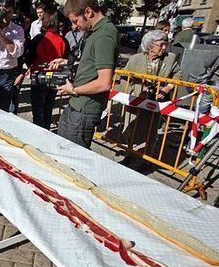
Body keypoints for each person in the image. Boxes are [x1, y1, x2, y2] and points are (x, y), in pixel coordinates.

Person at [52, 0, 119, 149]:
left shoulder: (104, 35)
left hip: (84, 110)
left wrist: (73, 90)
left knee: (71, 158)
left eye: (75, 21)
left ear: (88, 12)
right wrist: (67, 62)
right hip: (77, 106)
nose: (74, 27)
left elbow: (104, 82)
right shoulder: (96, 32)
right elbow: (92, 63)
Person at [120, 30, 182, 170]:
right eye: (161, 45)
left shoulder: (170, 58)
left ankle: (146, 161)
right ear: (150, 46)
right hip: (136, 99)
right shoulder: (135, 59)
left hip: (155, 103)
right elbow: (124, 77)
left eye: (165, 44)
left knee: (152, 131)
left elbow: (178, 73)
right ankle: (130, 154)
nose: (164, 48)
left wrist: (168, 87)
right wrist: (131, 92)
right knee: (131, 128)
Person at [26, 9, 69, 130]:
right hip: (55, 77)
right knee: (48, 108)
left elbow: (29, 58)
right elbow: (66, 58)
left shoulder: (40, 38)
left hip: (39, 75)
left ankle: (39, 134)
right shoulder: (63, 40)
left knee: (38, 109)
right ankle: (46, 130)